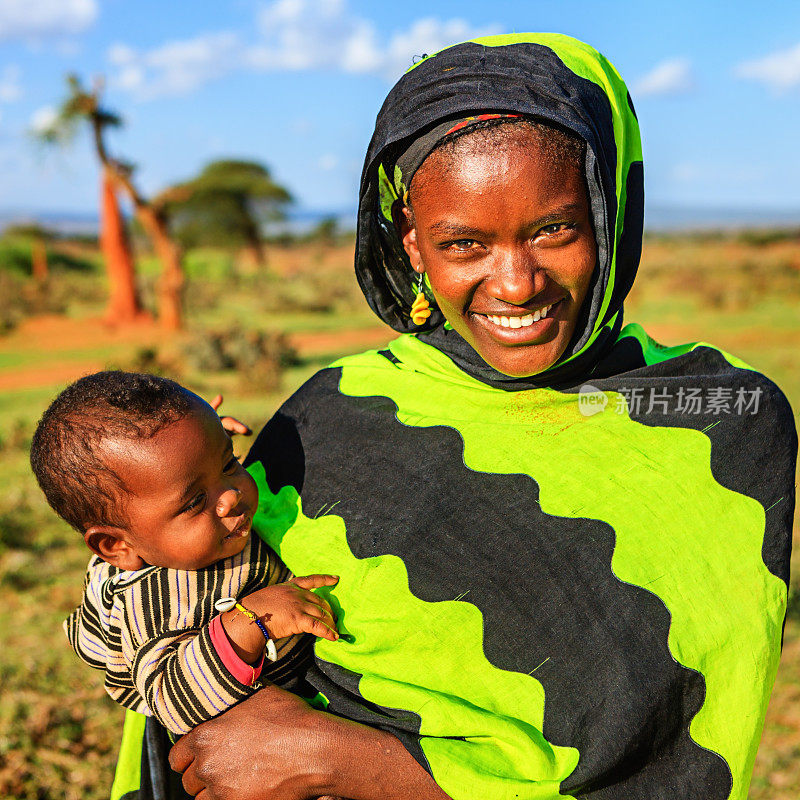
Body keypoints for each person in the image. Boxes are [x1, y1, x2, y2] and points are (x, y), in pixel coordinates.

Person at [126, 33, 796, 800]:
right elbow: (171, 639)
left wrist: (343, 759)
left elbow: (659, 761)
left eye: (554, 230)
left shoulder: (718, 419)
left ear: (611, 212)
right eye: (464, 243)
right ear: (412, 245)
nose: (514, 284)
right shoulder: (326, 418)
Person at [30, 371, 340, 737]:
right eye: (195, 500)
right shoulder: (158, 602)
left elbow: (172, 471)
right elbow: (170, 700)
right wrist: (254, 621)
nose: (231, 496)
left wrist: (203, 447)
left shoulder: (175, 538)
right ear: (117, 546)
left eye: (229, 463)